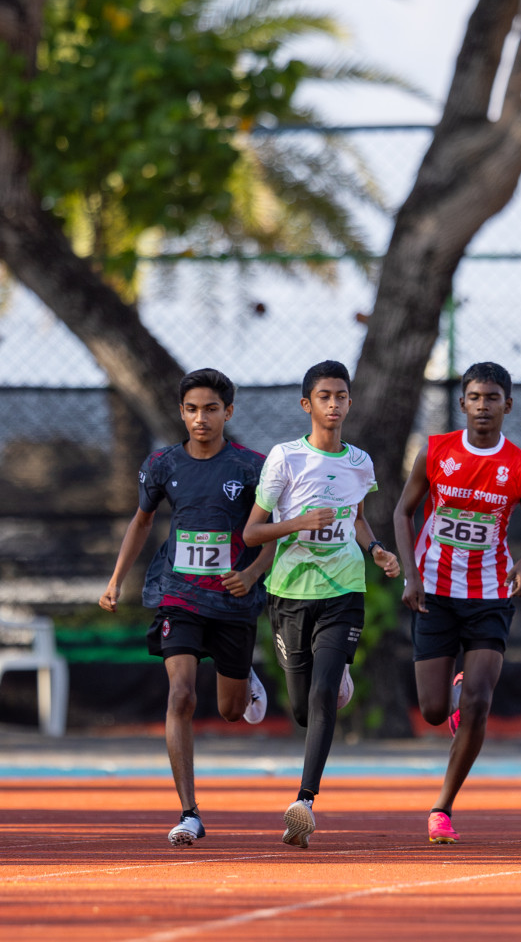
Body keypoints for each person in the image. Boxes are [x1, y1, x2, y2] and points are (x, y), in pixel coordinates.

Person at [99, 368, 273, 846]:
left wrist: (253, 574)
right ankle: (189, 812)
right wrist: (116, 580)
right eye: (192, 409)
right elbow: (141, 522)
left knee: (232, 711)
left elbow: (273, 534)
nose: (201, 418)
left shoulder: (251, 468)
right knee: (181, 695)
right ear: (181, 412)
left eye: (211, 409)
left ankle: (243, 677)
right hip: (178, 594)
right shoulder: (162, 465)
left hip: (233, 600)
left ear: (228, 413)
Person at [243, 360, 401, 848]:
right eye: (324, 396)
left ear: (350, 403)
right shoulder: (285, 459)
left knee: (322, 694)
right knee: (305, 710)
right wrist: (298, 523)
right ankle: (332, 688)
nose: (334, 405)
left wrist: (375, 549)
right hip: (289, 592)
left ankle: (304, 802)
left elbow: (356, 518)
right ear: (306, 404)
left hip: (344, 590)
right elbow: (251, 532)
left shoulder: (360, 462)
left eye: (341, 396)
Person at [392, 362, 521, 844]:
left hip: (490, 596)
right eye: (475, 397)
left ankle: (442, 807)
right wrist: (411, 576)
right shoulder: (435, 451)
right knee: (435, 711)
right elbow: (403, 511)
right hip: (435, 594)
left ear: (507, 404)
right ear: (462, 403)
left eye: (492, 397)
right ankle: (453, 693)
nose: (483, 406)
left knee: (480, 702)